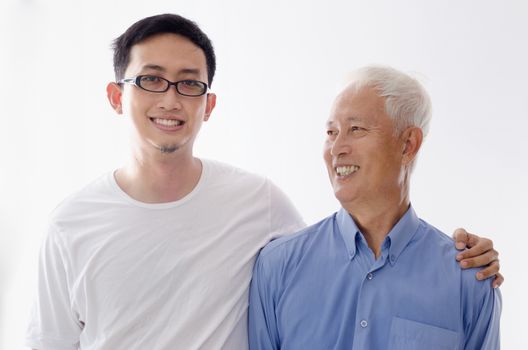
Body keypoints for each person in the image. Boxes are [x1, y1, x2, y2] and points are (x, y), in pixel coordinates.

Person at [25, 14, 501, 350]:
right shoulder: (71, 225)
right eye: (151, 80)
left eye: (189, 83)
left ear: (208, 104)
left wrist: (466, 259)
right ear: (116, 96)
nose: (170, 98)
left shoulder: (259, 205)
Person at [248, 66, 502, 350]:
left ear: (408, 145)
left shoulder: (468, 280)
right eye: (331, 132)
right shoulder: (277, 266)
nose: (336, 149)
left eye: (356, 129)